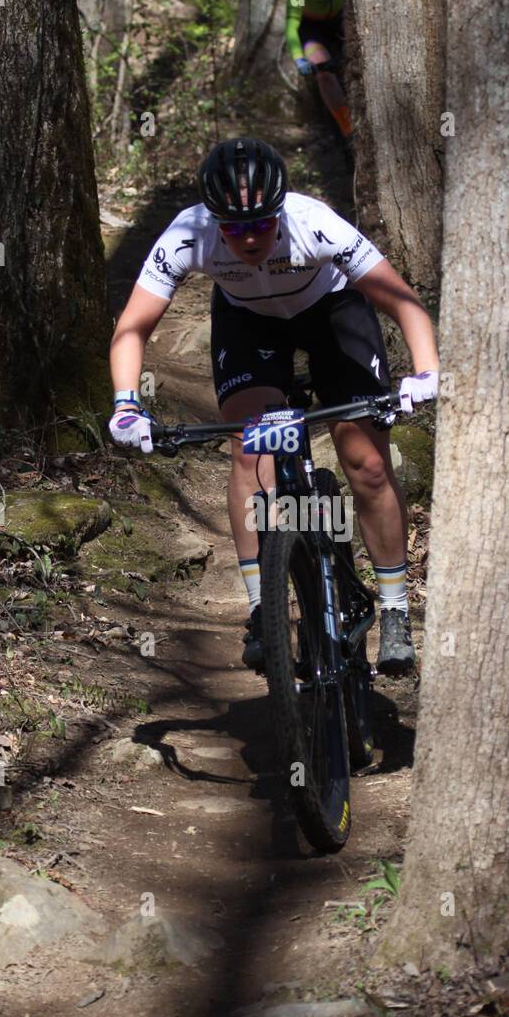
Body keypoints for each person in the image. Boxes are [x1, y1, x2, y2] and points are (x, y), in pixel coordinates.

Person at [108, 136, 439, 675]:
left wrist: (426, 373)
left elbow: (403, 302)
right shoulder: (189, 235)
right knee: (252, 449)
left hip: (331, 312)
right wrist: (126, 405)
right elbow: (132, 327)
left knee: (368, 464)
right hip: (250, 324)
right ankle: (263, 607)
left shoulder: (315, 224)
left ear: (280, 211)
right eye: (234, 229)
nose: (250, 237)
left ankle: (396, 609)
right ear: (214, 222)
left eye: (262, 224)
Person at [285, 0, 351, 139]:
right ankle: (347, 127)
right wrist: (298, 59)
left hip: (338, 22)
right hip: (312, 29)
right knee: (323, 73)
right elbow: (291, 23)